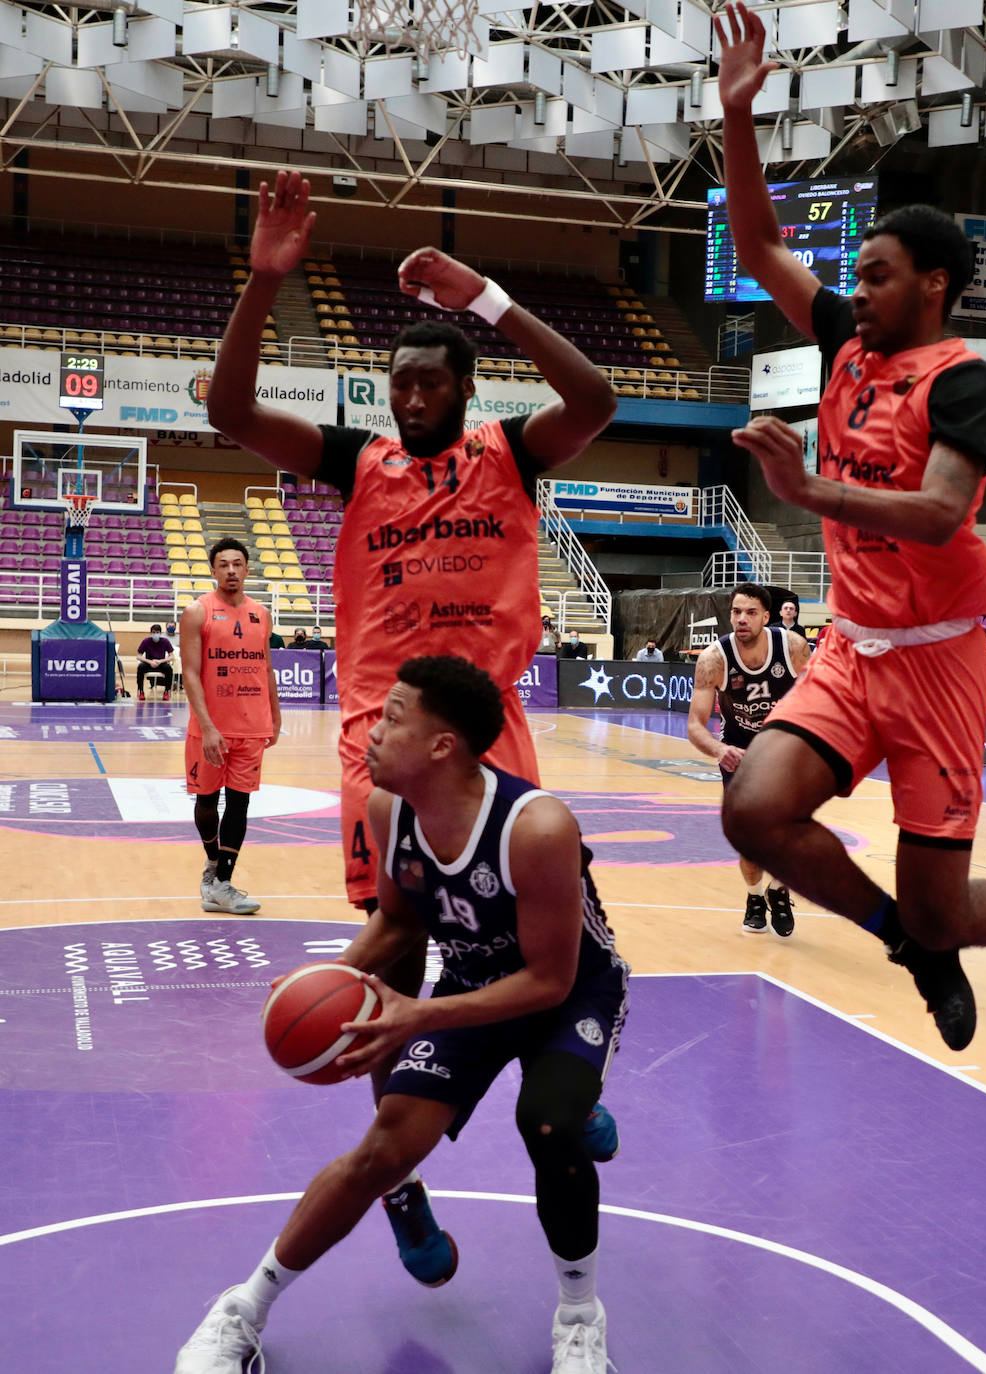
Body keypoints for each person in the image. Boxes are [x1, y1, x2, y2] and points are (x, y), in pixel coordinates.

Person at [204, 169, 621, 1282]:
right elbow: (230, 414)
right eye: (397, 384)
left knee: (560, 926)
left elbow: (596, 403)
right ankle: (401, 1171)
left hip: (492, 735)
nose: (409, 398)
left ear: (462, 386)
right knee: (401, 946)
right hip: (380, 746)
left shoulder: (510, 455)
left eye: (429, 382)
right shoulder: (360, 464)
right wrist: (263, 282)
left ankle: (563, 1086)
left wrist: (485, 295)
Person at [711, 1, 986, 1053]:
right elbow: (755, 245)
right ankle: (904, 943)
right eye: (858, 276)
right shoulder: (843, 342)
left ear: (933, 285)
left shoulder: (965, 381)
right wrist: (737, 116)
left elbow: (936, 516)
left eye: (877, 275)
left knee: (949, 902)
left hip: (935, 665)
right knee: (751, 813)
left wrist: (811, 494)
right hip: (850, 644)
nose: (857, 290)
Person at [174, 657, 628, 1374]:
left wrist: (418, 1014)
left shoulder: (537, 827)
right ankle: (241, 1309)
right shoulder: (389, 812)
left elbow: (550, 979)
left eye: (392, 717)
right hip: (472, 980)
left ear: (442, 745)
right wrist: (330, 978)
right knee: (383, 1150)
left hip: (569, 994)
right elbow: (399, 922)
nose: (371, 733)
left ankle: (579, 1318)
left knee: (549, 1120)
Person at [687, 582, 810, 936]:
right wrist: (719, 749)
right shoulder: (714, 659)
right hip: (739, 753)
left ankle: (780, 889)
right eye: (736, 612)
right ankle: (756, 895)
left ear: (767, 617)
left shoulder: (793, 648)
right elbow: (695, 725)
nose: (742, 619)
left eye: (751, 612)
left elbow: (820, 697)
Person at [181, 537, 281, 915]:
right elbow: (190, 674)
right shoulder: (197, 612)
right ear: (213, 570)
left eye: (237, 564)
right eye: (223, 564)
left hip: (252, 725)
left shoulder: (261, 613)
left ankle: (222, 882)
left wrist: (275, 714)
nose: (231, 571)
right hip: (211, 728)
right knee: (207, 802)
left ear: (247, 568)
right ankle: (212, 864)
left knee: (240, 803)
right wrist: (206, 726)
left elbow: (266, 667)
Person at [136, 622, 175, 700]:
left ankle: (167, 691)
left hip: (160, 664)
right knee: (140, 667)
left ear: (160, 633)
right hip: (149, 663)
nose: (155, 634)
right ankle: (141, 691)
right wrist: (150, 662)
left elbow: (172, 656)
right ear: (151, 633)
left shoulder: (165, 641)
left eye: (157, 632)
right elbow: (138, 656)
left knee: (169, 668)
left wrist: (160, 661)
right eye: (153, 632)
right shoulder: (146, 641)